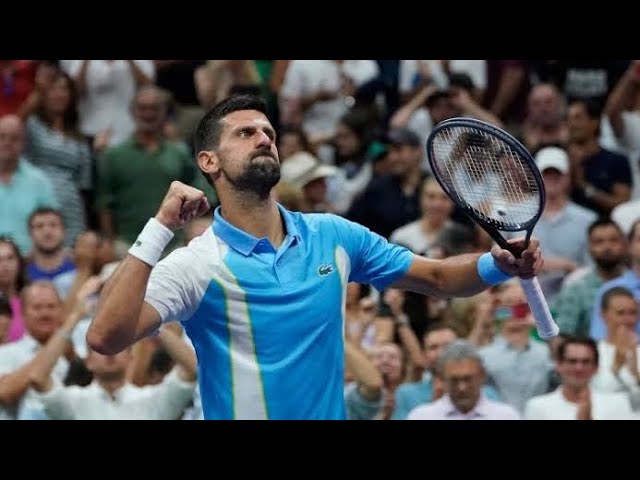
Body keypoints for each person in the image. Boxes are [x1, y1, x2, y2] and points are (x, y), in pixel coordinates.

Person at [87, 95, 544, 420]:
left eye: (268, 132)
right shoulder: (195, 265)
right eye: (245, 133)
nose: (264, 139)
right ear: (210, 162)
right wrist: (160, 226)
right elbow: (106, 337)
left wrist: (495, 265)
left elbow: (438, 278)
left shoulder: (333, 234)